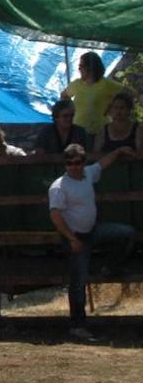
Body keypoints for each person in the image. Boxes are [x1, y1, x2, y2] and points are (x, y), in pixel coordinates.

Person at [49, 143, 136, 340]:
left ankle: (110, 267)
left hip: (92, 231)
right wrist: (71, 239)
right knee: (78, 282)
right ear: (65, 164)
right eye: (69, 163)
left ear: (83, 162)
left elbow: (103, 164)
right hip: (75, 236)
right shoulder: (58, 187)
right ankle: (77, 325)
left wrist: (119, 151)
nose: (73, 166)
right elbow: (55, 216)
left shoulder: (88, 173)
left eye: (77, 162)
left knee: (127, 234)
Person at [62, 51, 124, 133]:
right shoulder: (77, 84)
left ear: (90, 68)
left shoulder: (106, 84)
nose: (79, 69)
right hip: (77, 130)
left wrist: (111, 107)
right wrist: (70, 111)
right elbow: (64, 95)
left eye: (81, 66)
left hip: (99, 131)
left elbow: (130, 94)